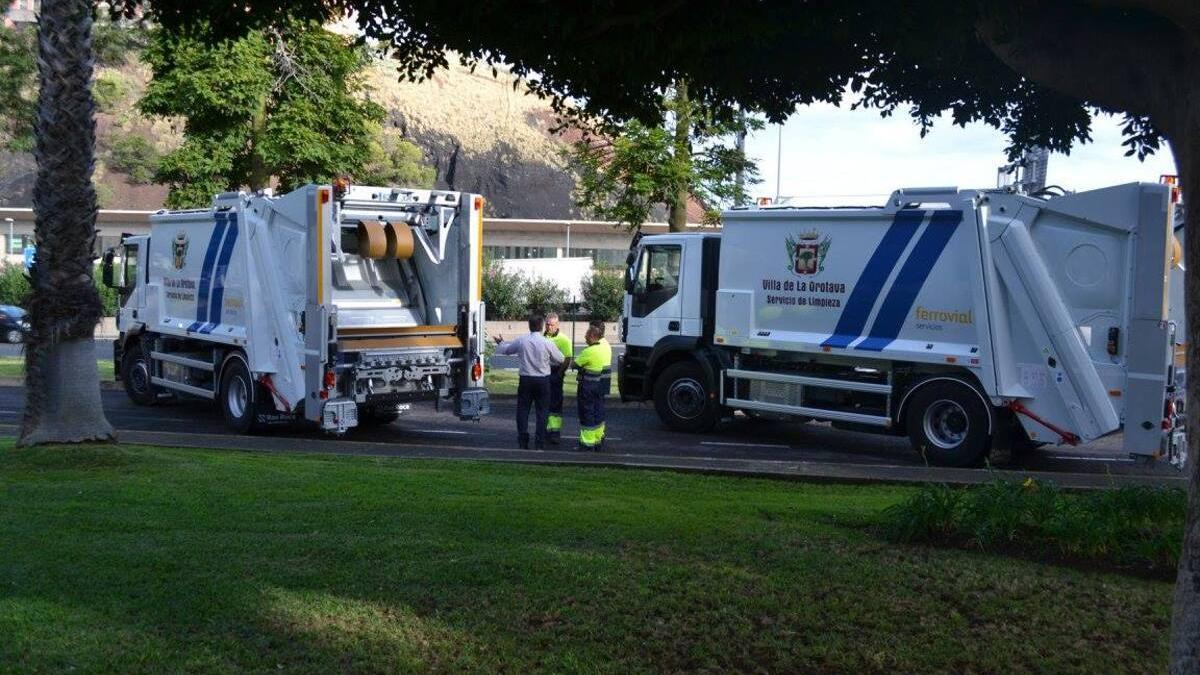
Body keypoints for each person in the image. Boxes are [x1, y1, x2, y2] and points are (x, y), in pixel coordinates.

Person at [493, 314, 564, 449]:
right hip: (543, 380)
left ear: (529, 325)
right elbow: (560, 359)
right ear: (542, 326)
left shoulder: (522, 340)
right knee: (542, 412)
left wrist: (500, 343)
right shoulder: (547, 342)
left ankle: (523, 440)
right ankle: (539, 442)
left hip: (526, 379)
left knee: (523, 410)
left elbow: (507, 350)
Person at [574, 325, 612, 451]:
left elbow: (575, 364)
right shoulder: (605, 347)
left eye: (586, 335)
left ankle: (586, 443)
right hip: (601, 385)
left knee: (587, 413)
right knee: (598, 411)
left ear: (592, 337)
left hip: (588, 386)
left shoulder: (589, 351)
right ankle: (598, 439)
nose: (584, 337)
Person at [542, 312, 572, 444]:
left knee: (555, 403)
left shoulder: (563, 339)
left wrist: (560, 373)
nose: (549, 327)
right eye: (547, 324)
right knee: (543, 403)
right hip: (543, 373)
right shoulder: (541, 337)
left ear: (557, 324)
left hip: (555, 372)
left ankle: (555, 432)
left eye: (552, 325)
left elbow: (567, 358)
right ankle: (545, 429)